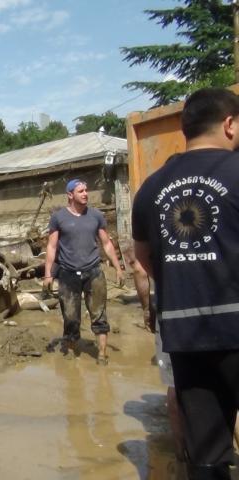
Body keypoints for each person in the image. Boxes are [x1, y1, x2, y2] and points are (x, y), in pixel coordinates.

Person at [132, 87, 239, 479]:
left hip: (185, 332)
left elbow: (142, 261)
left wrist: (185, 282)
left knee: (207, 454)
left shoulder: (151, 189)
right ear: (229, 124)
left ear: (185, 128)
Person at [44, 179, 123, 365]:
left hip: (94, 272)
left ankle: (102, 355)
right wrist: (48, 274)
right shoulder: (58, 217)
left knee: (99, 314)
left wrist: (119, 268)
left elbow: (107, 244)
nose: (86, 193)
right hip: (68, 274)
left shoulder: (95, 215)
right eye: (81, 191)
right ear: (70, 195)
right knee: (70, 316)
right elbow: (52, 246)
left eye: (86, 190)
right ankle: (72, 353)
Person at [121, 241, 186, 466]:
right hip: (222, 309)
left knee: (175, 386)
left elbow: (139, 269)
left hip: (172, 310)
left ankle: (182, 456)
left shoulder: (152, 213)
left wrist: (147, 309)